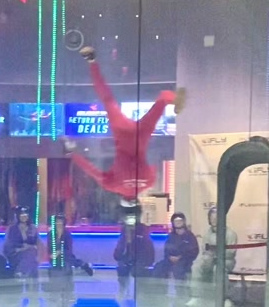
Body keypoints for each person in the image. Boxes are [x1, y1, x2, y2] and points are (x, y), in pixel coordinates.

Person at [65, 48, 185, 200]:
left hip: (141, 137)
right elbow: (92, 171)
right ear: (122, 198)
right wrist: (73, 155)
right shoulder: (113, 186)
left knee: (160, 103)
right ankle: (91, 61)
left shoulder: (149, 182)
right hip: (122, 134)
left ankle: (170, 97)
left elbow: (154, 163)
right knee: (107, 99)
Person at [187, 206, 238, 307]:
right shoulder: (207, 233)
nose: (214, 220)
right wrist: (208, 257)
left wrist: (216, 255)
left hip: (226, 260)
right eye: (212, 218)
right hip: (210, 258)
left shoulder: (230, 233)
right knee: (196, 267)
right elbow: (204, 249)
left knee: (217, 269)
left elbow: (231, 252)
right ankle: (196, 297)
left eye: (216, 218)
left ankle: (224, 298)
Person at [154, 212, 199, 300]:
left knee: (178, 270)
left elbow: (194, 251)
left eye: (180, 221)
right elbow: (166, 249)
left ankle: (181, 295)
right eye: (176, 221)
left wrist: (181, 257)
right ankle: (161, 294)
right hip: (170, 260)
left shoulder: (190, 236)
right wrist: (169, 257)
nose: (178, 223)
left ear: (184, 222)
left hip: (184, 260)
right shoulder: (171, 236)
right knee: (158, 267)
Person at [113, 206, 155, 299]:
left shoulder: (143, 230)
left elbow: (148, 247)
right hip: (127, 257)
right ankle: (122, 290)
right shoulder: (124, 231)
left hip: (140, 258)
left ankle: (140, 292)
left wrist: (147, 261)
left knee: (139, 270)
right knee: (122, 267)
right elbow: (118, 251)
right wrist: (123, 247)